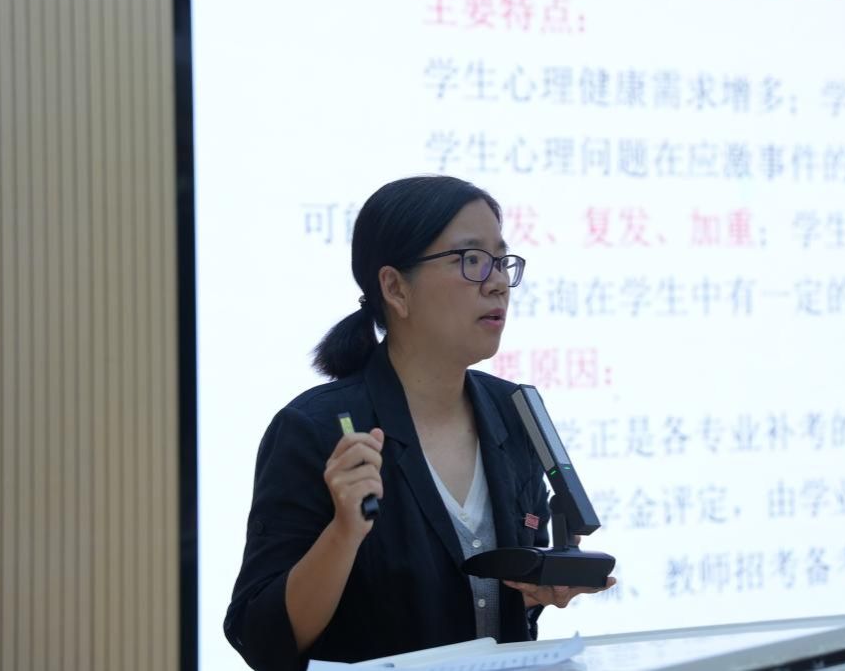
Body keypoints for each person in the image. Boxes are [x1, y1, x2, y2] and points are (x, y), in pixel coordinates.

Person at [224, 175, 613, 671]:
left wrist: (537, 588)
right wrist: (344, 533)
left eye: (501, 261)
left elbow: (496, 599)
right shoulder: (317, 429)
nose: (497, 282)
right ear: (395, 288)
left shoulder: (513, 411)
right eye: (471, 260)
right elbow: (262, 638)